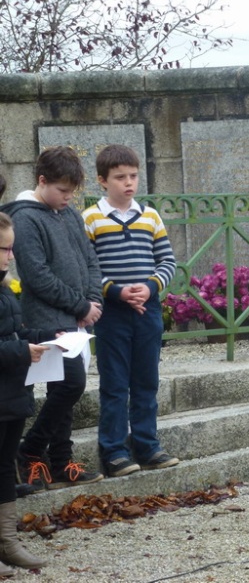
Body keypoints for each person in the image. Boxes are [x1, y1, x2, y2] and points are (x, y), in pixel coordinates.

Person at [1, 146, 104, 491]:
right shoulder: (26, 217)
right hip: (47, 317)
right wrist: (80, 306)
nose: (67, 198)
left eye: (72, 192)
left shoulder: (69, 212)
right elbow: (37, 275)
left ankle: (61, 461)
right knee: (71, 385)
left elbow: (89, 258)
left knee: (68, 389)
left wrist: (93, 299)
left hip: (78, 316)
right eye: (61, 190)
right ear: (42, 181)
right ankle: (30, 449)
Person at [82, 144, 179, 477]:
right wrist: (116, 290)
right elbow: (90, 266)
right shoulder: (91, 218)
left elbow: (167, 261)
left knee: (146, 380)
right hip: (112, 313)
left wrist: (150, 286)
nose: (128, 183)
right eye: (120, 177)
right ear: (102, 180)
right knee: (114, 383)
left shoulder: (150, 216)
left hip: (147, 310)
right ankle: (113, 451)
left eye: (133, 176)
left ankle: (148, 445)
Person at [0, 213, 51, 574]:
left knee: (4, 466)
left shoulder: (5, 287)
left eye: (11, 248)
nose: (10, 256)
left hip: (11, 394)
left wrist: (43, 339)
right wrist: (21, 351)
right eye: (4, 249)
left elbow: (12, 332)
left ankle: (7, 541)